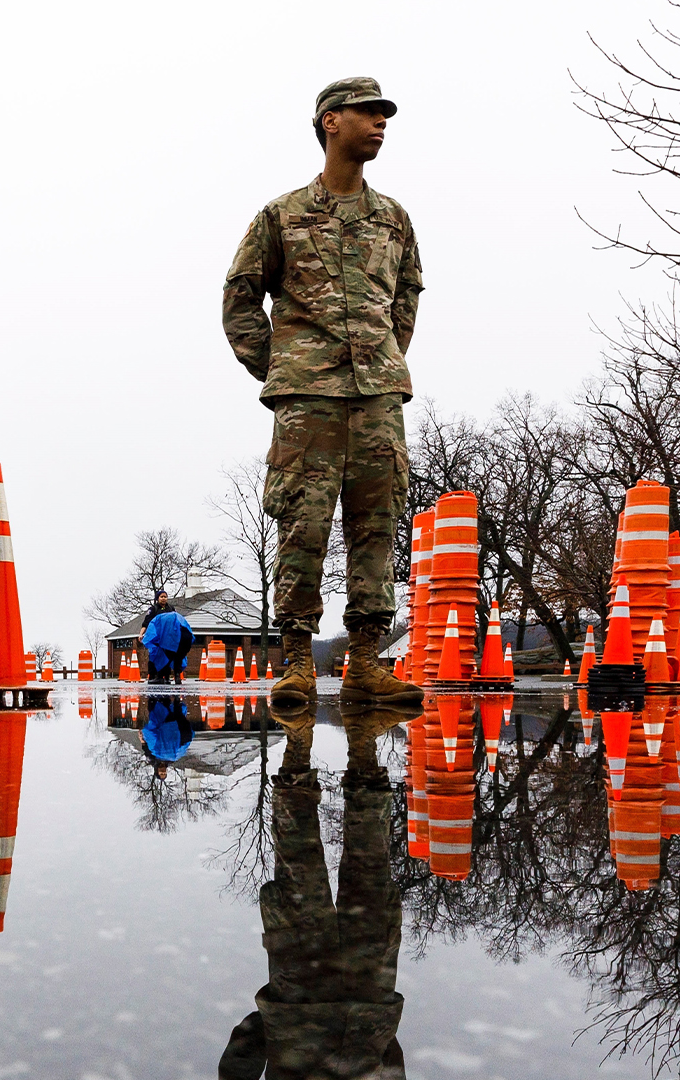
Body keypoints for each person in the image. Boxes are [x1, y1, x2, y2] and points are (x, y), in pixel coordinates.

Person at [224, 77, 424, 708]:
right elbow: (239, 297)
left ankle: (365, 662)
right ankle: (297, 665)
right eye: (369, 113)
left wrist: (385, 357)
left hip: (377, 398)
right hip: (306, 401)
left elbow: (408, 293)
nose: (381, 123)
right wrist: (281, 367)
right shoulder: (281, 216)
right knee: (301, 525)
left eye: (385, 115)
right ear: (330, 122)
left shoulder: (393, 218)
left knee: (377, 524)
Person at [219, 704, 407, 1078]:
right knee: (305, 862)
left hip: (357, 1006)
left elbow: (392, 1068)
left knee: (361, 866)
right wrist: (274, 1025)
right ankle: (308, 744)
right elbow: (241, 1057)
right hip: (307, 1002)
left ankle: (348, 745)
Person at [141, 597, 196, 684]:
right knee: (178, 657)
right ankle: (177, 676)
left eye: (165, 596)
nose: (163, 598)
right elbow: (146, 622)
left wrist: (144, 636)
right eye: (161, 596)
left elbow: (151, 628)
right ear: (157, 598)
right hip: (185, 638)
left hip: (172, 637)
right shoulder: (167, 614)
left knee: (164, 656)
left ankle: (160, 677)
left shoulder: (161, 618)